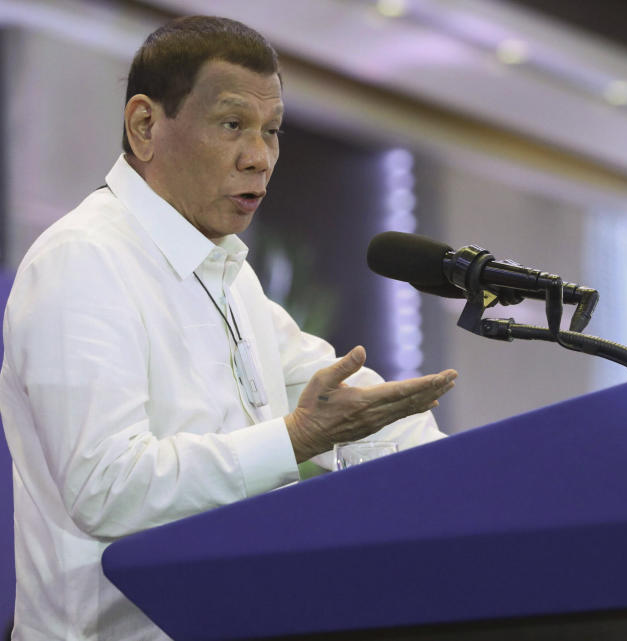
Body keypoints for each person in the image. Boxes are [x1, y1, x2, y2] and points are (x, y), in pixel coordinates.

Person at [0, 15, 457, 641]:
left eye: (272, 132)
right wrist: (294, 440)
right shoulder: (83, 259)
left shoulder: (228, 276)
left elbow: (352, 406)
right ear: (145, 125)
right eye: (232, 125)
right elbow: (104, 486)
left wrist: (465, 477)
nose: (260, 158)